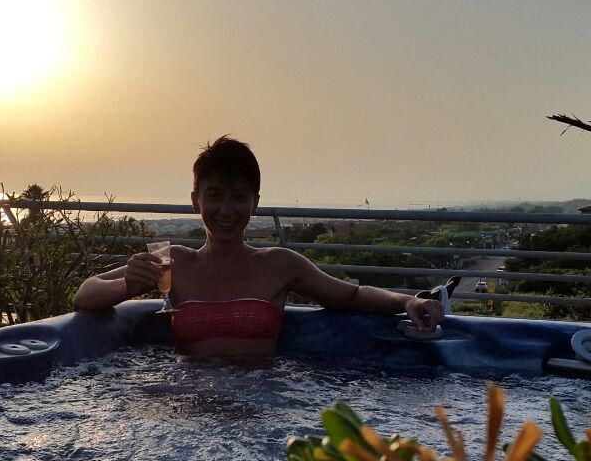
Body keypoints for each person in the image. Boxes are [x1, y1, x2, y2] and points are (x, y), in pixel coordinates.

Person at [73, 136, 445, 356]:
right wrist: (127, 286)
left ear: (255, 203)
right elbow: (85, 293)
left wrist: (408, 301)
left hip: (259, 415)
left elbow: (350, 296)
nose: (226, 210)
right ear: (195, 201)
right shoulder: (174, 263)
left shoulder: (280, 264)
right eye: (214, 196)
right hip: (187, 416)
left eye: (239, 197)